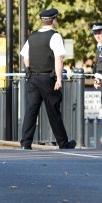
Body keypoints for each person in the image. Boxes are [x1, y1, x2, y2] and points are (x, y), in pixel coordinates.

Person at [18, 8, 76, 150]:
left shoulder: (32, 36)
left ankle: (25, 143)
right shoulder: (55, 36)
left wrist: (30, 70)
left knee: (31, 110)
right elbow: (59, 58)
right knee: (53, 111)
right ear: (54, 20)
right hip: (47, 78)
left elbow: (26, 57)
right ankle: (63, 143)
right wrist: (59, 79)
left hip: (33, 78)